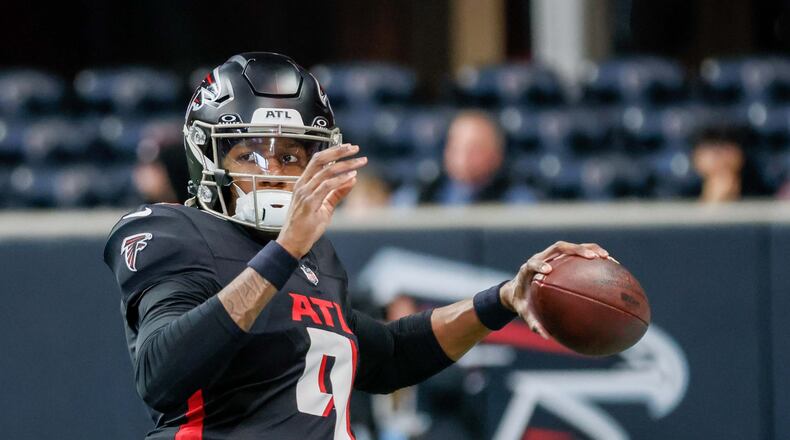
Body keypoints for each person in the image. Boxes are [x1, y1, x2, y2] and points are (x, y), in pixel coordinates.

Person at [103, 52, 609, 439]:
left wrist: (502, 299)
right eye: (250, 154)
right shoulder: (175, 231)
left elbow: (390, 355)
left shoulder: (315, 257)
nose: (272, 173)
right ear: (206, 156)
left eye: (291, 156)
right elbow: (161, 373)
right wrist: (284, 252)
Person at [416, 110, 516, 204]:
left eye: (475, 148)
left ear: (496, 155)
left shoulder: (513, 201)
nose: (464, 155)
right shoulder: (425, 195)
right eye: (457, 145)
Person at [691, 126, 769, 202]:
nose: (720, 155)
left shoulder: (762, 192)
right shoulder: (687, 193)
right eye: (711, 146)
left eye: (726, 147)